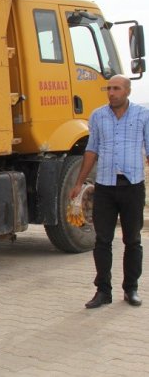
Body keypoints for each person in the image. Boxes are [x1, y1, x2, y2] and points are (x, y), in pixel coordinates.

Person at [70, 75, 149, 309]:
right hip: (105, 187)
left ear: (127, 91)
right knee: (102, 240)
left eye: (116, 88)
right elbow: (91, 150)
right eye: (109, 88)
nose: (111, 92)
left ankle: (131, 289)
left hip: (133, 186)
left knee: (132, 240)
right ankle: (103, 291)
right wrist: (78, 183)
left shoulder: (142, 115)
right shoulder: (97, 116)